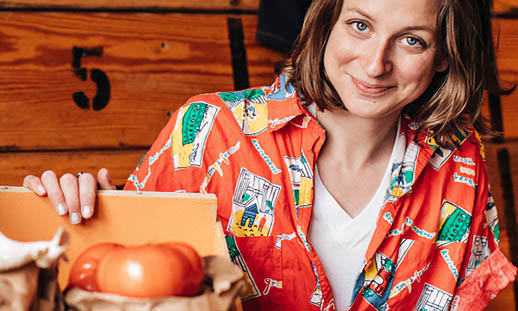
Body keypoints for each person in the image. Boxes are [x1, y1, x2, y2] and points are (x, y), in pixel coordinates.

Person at [23, 0, 517, 310]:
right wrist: (76, 215)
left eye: (412, 40)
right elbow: (119, 280)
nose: (375, 63)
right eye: (360, 25)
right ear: (327, 20)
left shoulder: (458, 158)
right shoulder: (210, 130)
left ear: (445, 54)